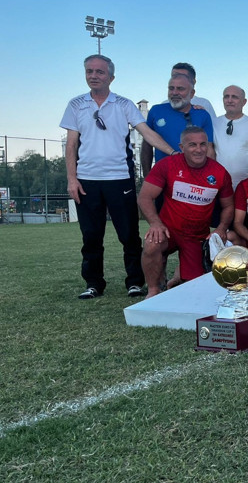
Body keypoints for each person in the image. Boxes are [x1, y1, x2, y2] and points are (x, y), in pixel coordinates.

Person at [60, 54, 178, 299]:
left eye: (100, 72)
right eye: (90, 71)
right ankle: (93, 284)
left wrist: (173, 152)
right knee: (91, 236)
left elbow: (147, 133)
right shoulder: (76, 105)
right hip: (86, 181)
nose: (94, 75)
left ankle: (134, 282)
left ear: (111, 77)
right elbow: (71, 146)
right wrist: (72, 179)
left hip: (120, 179)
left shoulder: (124, 105)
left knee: (128, 235)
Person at [138, 126, 234, 298]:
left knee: (195, 290)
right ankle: (153, 290)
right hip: (169, 231)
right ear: (182, 148)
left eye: (203, 144)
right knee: (152, 243)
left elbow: (228, 206)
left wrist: (221, 228)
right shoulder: (166, 165)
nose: (199, 149)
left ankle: (178, 275)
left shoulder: (219, 172)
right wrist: (155, 223)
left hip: (195, 236)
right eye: (192, 145)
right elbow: (144, 197)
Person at [141, 73, 215, 174]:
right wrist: (147, 175)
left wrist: (210, 176)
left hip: (194, 178)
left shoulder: (202, 115)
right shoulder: (156, 111)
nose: (175, 92)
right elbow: (147, 146)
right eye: (171, 88)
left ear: (192, 93)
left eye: (180, 89)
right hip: (163, 178)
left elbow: (209, 150)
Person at [213, 85, 248, 189]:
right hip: (219, 187)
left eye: (234, 97)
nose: (229, 100)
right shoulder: (213, 124)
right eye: (226, 96)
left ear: (244, 102)